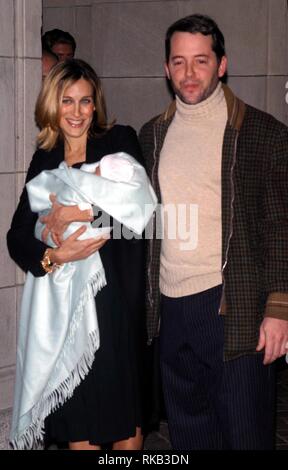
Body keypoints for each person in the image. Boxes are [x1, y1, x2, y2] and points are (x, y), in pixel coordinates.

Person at [139, 14, 288, 450]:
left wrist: (279, 307)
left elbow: (280, 225)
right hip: (171, 310)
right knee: (188, 433)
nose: (189, 73)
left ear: (221, 64)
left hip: (232, 304)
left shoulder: (264, 134)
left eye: (200, 61)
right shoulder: (152, 135)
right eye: (179, 62)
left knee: (245, 433)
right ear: (166, 68)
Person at [7, 58, 151, 451]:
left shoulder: (119, 140)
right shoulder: (44, 159)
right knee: (81, 437)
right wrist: (56, 255)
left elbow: (142, 216)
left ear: (95, 104)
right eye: (67, 101)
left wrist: (77, 212)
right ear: (52, 105)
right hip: (68, 323)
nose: (77, 112)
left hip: (116, 311)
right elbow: (17, 236)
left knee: (126, 439)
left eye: (85, 102)